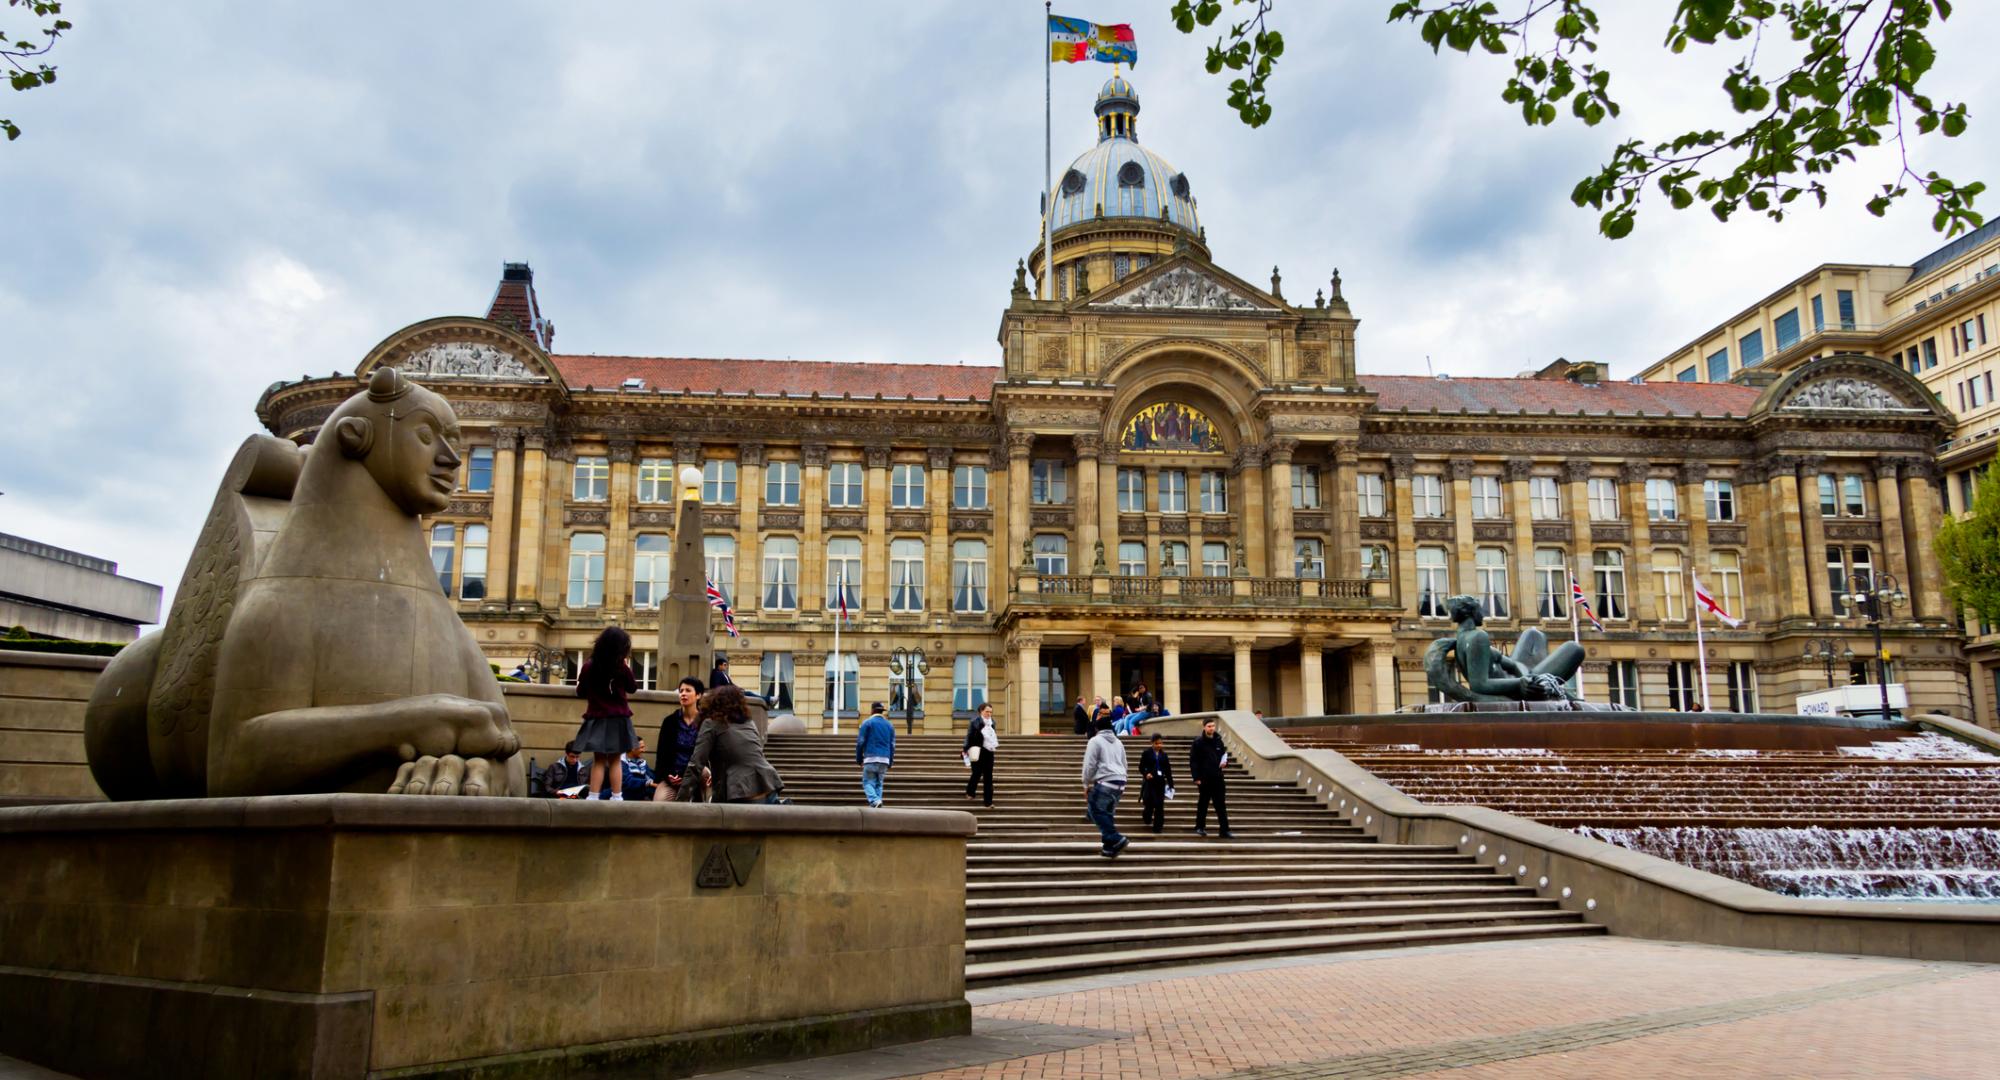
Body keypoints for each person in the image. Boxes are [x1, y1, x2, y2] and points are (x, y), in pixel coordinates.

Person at [686, 684, 788, 804]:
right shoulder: (749, 723)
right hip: (768, 784)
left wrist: (680, 802)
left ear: (713, 703)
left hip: (742, 790)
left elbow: (696, 764)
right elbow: (745, 755)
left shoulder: (711, 723)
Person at [572, 626, 638, 800]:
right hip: (619, 718)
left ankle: (593, 796)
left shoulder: (589, 666)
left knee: (599, 759)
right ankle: (617, 797)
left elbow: (580, 692)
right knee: (616, 759)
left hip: (597, 717)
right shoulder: (622, 668)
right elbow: (632, 688)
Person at [1082, 716, 1130, 857]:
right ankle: (1109, 847)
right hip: (1120, 782)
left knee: (1095, 809)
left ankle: (1115, 838)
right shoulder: (1118, 742)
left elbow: (1089, 764)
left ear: (1097, 729)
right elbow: (1125, 763)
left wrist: (1086, 783)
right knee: (1107, 814)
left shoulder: (1095, 741)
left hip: (1106, 781)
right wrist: (1123, 779)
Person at [657, 677, 706, 801]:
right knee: (659, 804)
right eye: (681, 690)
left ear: (698, 695)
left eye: (688, 690)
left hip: (699, 775)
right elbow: (661, 754)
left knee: (710, 802)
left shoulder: (706, 722)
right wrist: (668, 776)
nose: (683, 693)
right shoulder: (670, 721)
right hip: (674, 776)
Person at [1189, 717, 1233, 838]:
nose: (1212, 728)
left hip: (1218, 777)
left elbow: (1223, 755)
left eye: (1213, 726)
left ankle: (1224, 830)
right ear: (1204, 727)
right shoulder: (1198, 742)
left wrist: (1225, 763)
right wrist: (1196, 777)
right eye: (1209, 726)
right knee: (1203, 803)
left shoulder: (1219, 740)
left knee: (1221, 804)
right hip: (1204, 778)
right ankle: (1199, 827)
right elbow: (1193, 761)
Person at [856, 701, 895, 808]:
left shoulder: (867, 723)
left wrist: (859, 759)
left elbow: (861, 742)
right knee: (879, 783)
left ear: (872, 710)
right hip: (885, 758)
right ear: (882, 712)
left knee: (868, 782)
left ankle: (874, 800)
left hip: (871, 757)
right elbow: (892, 745)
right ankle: (877, 804)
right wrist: (890, 761)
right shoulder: (889, 725)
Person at [962, 701, 998, 807]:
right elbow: (969, 736)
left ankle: (988, 802)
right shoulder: (975, 722)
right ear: (981, 711)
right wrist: (965, 749)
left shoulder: (993, 723)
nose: (989, 714)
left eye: (991, 712)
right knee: (976, 773)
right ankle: (970, 792)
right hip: (977, 750)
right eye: (987, 712)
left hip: (989, 751)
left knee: (988, 776)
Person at [1140, 732, 1173, 834]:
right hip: (1150, 782)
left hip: (1160, 782)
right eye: (1157, 743)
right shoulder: (1146, 753)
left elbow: (1168, 770)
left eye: (1160, 743)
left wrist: (1171, 783)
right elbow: (1141, 767)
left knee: (1159, 805)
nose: (1159, 745)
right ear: (1152, 743)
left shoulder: (1164, 755)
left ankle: (1158, 827)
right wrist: (1146, 774)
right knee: (1149, 803)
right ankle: (1147, 815)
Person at [621, 737, 670, 802]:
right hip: (627, 797)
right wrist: (648, 783)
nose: (644, 750)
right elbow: (629, 782)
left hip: (643, 794)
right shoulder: (621, 762)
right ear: (633, 748)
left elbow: (652, 776)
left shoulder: (641, 761)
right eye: (641, 747)